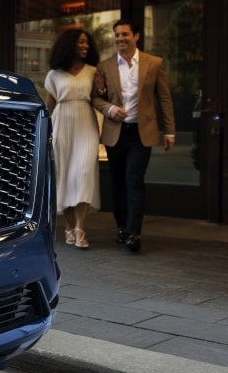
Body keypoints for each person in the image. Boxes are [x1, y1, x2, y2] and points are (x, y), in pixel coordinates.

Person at [91, 19, 176, 253]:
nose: (120, 39)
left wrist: (169, 131)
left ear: (136, 36)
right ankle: (121, 226)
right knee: (118, 182)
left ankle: (134, 232)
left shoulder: (154, 63)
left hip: (141, 133)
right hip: (115, 134)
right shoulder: (104, 66)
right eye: (117, 35)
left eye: (125, 34)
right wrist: (109, 109)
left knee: (134, 180)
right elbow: (96, 98)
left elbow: (164, 98)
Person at [44, 28, 101, 249]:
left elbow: (99, 98)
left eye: (87, 42)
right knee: (64, 175)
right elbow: (49, 106)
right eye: (81, 42)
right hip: (62, 123)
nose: (85, 46)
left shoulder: (93, 71)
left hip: (86, 123)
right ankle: (68, 227)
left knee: (84, 173)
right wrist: (43, 132)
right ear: (69, 45)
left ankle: (80, 228)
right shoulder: (54, 74)